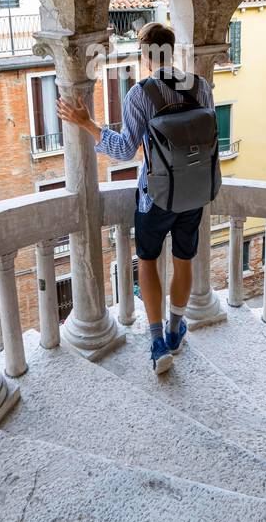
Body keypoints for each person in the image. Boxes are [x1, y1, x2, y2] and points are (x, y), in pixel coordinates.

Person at [57, 22, 215, 375]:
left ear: (145, 56)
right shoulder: (201, 87)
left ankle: (158, 341)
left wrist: (88, 124)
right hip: (194, 194)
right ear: (171, 52)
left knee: (147, 261)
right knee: (184, 261)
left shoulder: (140, 94)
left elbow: (125, 149)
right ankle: (176, 330)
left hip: (155, 196)